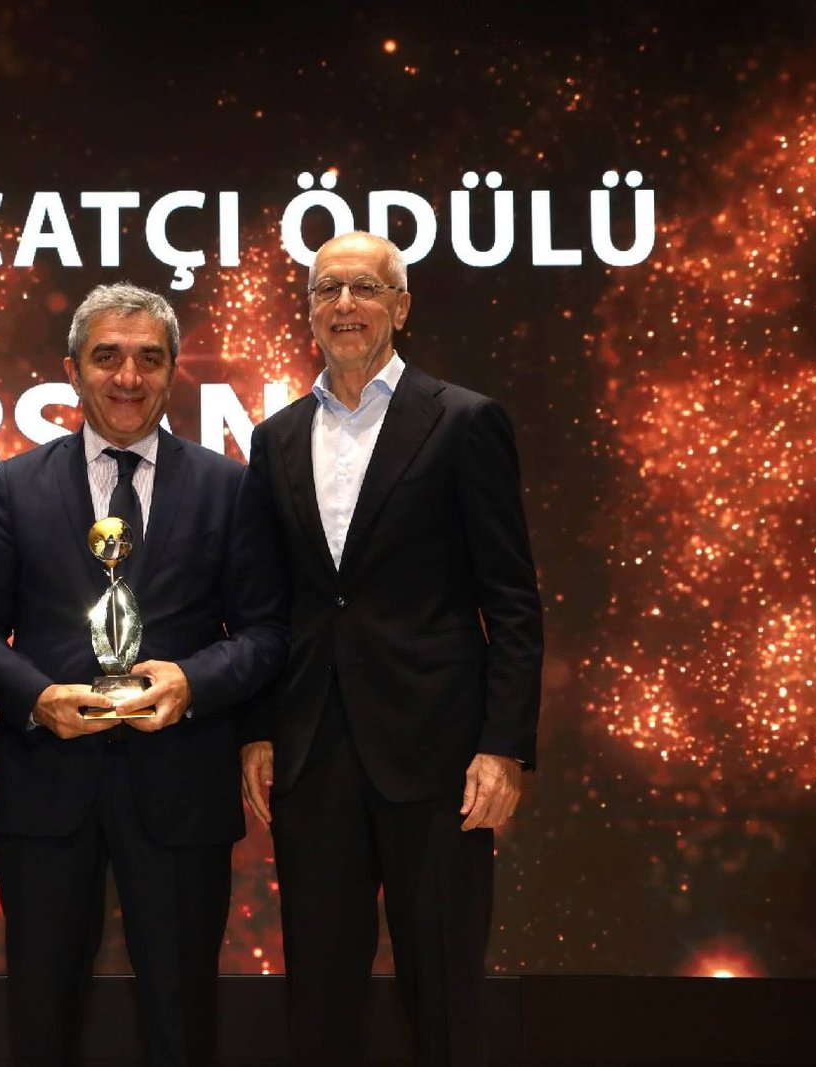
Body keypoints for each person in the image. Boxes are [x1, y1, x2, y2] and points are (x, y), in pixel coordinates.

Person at [0, 283, 289, 1066]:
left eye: (150, 358)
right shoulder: (16, 482)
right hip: (47, 786)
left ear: (174, 369)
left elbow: (266, 631)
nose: (128, 377)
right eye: (107, 356)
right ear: (72, 369)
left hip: (181, 785)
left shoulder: (228, 484)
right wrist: (37, 697)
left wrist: (193, 682)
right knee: (42, 1014)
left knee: (181, 1016)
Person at [241, 231, 543, 1066]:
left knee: (442, 988)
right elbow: (269, 604)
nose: (345, 304)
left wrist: (503, 746)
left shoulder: (464, 421)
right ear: (309, 312)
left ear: (400, 307)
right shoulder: (276, 437)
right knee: (320, 993)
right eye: (327, 289)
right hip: (314, 752)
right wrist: (259, 728)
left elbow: (512, 601)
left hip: (440, 755)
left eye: (365, 288)